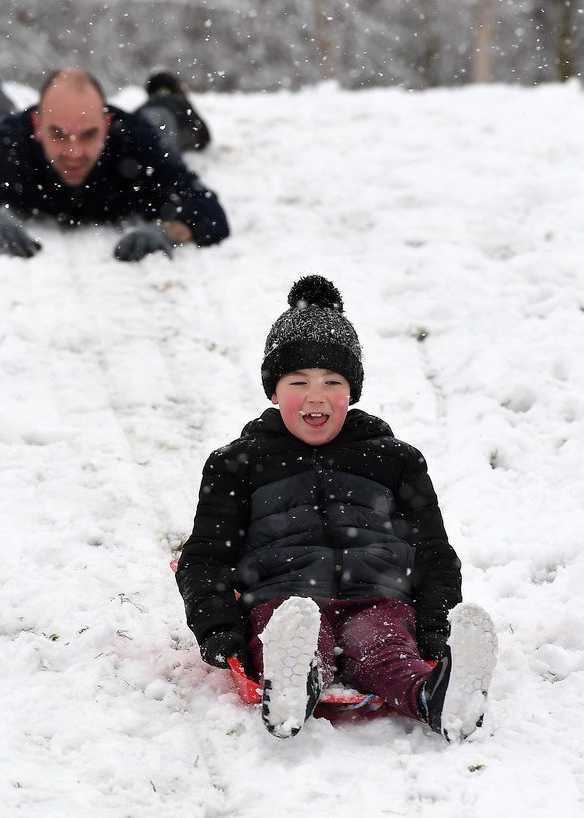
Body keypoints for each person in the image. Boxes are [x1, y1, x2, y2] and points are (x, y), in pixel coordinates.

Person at [176, 275, 498, 741]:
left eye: (333, 381)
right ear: (273, 390)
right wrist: (218, 629)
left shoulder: (395, 459)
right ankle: (294, 683)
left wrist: (434, 628)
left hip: (378, 595)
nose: (316, 395)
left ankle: (439, 698)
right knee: (296, 634)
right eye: (298, 381)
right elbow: (205, 557)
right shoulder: (237, 463)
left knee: (385, 650)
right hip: (282, 596)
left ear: (353, 391)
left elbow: (432, 552)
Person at [0, 47, 228, 260]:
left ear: (106, 123)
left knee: (159, 123)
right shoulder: (12, 141)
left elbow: (208, 210)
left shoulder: (135, 139)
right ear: (37, 125)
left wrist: (170, 232)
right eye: (58, 134)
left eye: (88, 134)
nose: (73, 152)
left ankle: (167, 95)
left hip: (141, 129)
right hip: (8, 127)